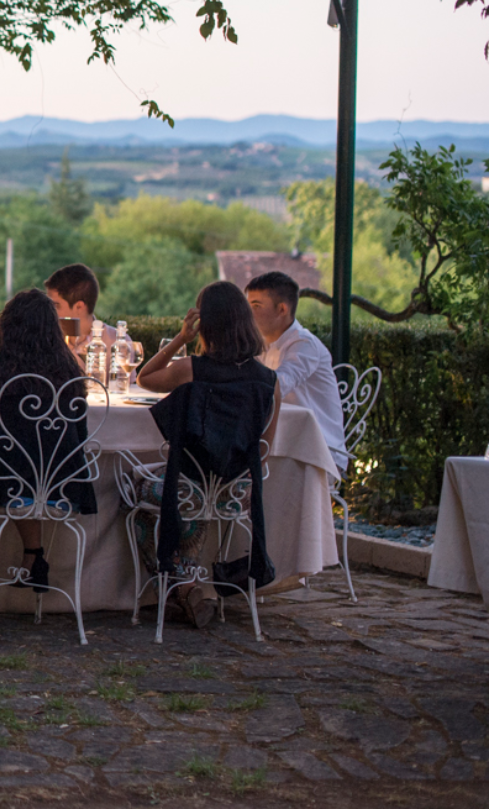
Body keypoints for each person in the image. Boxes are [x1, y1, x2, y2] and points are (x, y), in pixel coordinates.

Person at [135, 281, 281, 628]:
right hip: (238, 494)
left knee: (135, 490)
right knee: (196, 492)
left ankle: (178, 587)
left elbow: (145, 378)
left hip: (188, 488)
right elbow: (264, 450)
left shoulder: (191, 370)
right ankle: (188, 589)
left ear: (206, 324)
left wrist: (181, 338)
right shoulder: (269, 381)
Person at [0, 289, 95, 597]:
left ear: (8, 325)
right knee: (29, 483)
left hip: (5, 484)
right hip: (63, 485)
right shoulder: (71, 372)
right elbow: (80, 438)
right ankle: (34, 558)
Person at [246, 271, 349, 475]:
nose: (248, 314)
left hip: (319, 453)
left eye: (256, 306)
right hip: (284, 445)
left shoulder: (304, 344)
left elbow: (278, 386)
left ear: (282, 309)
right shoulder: (264, 344)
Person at [45, 263, 114, 360]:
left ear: (79, 307)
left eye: (55, 306)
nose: (48, 310)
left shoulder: (114, 343)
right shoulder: (44, 341)